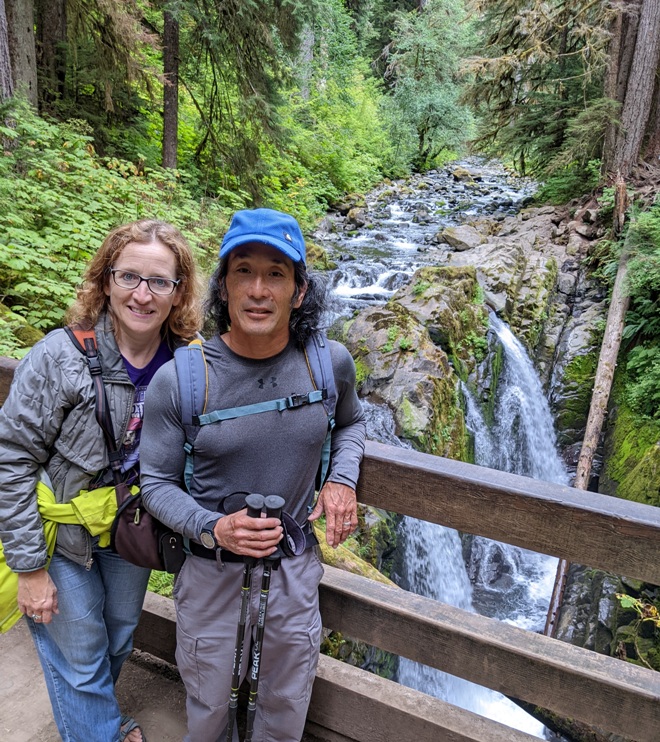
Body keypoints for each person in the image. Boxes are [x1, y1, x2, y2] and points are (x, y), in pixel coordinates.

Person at [140, 207, 366, 742]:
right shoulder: (182, 381)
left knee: (286, 706)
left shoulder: (329, 365)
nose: (259, 290)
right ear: (222, 289)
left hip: (293, 569)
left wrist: (342, 478)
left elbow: (353, 423)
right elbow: (155, 483)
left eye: (276, 274)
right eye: (244, 271)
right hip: (209, 570)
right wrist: (212, 527)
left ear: (300, 291)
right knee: (209, 703)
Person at [0, 219, 202, 742]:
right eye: (129, 276)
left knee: (117, 638)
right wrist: (29, 568)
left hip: (133, 525)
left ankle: (97, 717)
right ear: (106, 279)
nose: (142, 293)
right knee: (81, 648)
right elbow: (12, 457)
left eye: (160, 281)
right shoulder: (59, 357)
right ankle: (101, 731)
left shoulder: (191, 361)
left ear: (178, 292)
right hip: (63, 531)